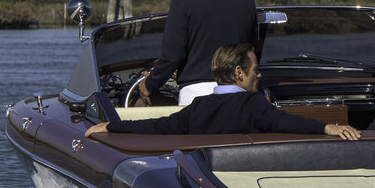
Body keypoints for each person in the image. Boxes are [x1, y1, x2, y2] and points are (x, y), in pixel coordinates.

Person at [92, 43, 359, 139]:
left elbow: (157, 127)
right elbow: (285, 121)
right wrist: (327, 129)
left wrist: (112, 127)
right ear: (239, 73)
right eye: (256, 70)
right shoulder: (253, 104)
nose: (260, 74)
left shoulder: (197, 108)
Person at [135, 0, 255, 106]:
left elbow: (172, 56)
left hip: (195, 95)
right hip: (238, 92)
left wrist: (149, 84)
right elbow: (252, 49)